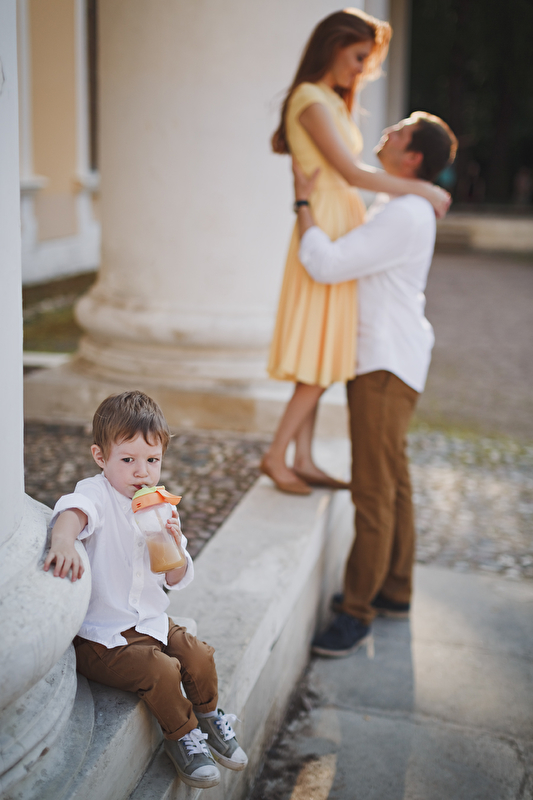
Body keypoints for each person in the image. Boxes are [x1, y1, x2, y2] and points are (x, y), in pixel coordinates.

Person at [262, 9, 450, 496]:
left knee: (325, 346)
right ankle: (277, 455)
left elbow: (353, 172)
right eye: (359, 56)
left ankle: (302, 456)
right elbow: (350, 173)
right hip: (322, 219)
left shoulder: (332, 99)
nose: (363, 68)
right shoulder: (309, 98)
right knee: (317, 349)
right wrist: (423, 189)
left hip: (335, 219)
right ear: (333, 46)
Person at [290, 112, 457, 656]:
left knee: (373, 488)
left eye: (399, 132)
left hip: (384, 365)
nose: (388, 133)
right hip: (394, 359)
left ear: (413, 157)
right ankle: (395, 591)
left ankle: (356, 612)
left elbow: (328, 264)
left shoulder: (404, 213)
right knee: (394, 480)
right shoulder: (405, 203)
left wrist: (303, 205)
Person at [43, 391, 248, 788]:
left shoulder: (161, 506)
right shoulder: (97, 493)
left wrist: (173, 543)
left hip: (150, 620)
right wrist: (63, 541)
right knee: (162, 670)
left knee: (198, 655)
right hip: (102, 637)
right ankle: (182, 736)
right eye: (128, 460)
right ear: (101, 457)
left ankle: (208, 717)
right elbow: (73, 511)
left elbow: (175, 577)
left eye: (152, 460)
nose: (142, 472)